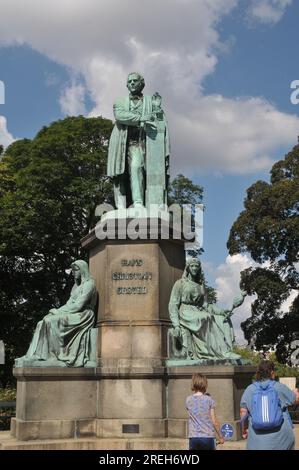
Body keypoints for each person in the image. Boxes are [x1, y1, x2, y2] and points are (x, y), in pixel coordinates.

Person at [15, 260, 97, 368]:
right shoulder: (75, 287)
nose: (73, 272)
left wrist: (58, 312)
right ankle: (36, 355)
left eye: (75, 270)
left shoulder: (89, 285)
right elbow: (68, 304)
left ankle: (54, 355)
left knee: (50, 321)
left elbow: (79, 305)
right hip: (73, 312)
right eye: (72, 270)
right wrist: (56, 312)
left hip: (84, 315)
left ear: (83, 270)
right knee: (42, 322)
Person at [107, 72, 170, 209]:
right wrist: (141, 118)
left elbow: (158, 120)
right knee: (119, 176)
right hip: (122, 142)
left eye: (135, 81)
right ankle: (125, 206)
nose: (132, 83)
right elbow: (120, 116)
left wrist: (157, 108)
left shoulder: (150, 101)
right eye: (129, 82)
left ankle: (139, 203)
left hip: (143, 143)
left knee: (136, 168)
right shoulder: (119, 101)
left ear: (142, 84)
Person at [168, 258, 244, 360]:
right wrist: (176, 324)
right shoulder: (180, 283)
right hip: (185, 312)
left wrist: (221, 312)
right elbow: (173, 303)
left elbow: (206, 305)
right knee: (206, 317)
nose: (194, 268)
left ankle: (228, 350)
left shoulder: (200, 286)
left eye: (197, 266)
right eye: (192, 266)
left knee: (222, 320)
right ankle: (223, 353)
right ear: (188, 268)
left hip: (198, 311)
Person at [240, 360, 299, 450]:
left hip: (257, 440)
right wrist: (295, 393)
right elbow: (295, 399)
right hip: (281, 439)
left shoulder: (250, 389)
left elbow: (243, 411)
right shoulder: (279, 387)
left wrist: (244, 429)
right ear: (272, 372)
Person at [186, 373, 224, 450]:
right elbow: (214, 421)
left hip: (193, 437)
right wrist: (220, 436)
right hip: (207, 437)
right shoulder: (209, 400)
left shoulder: (188, 400)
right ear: (205, 385)